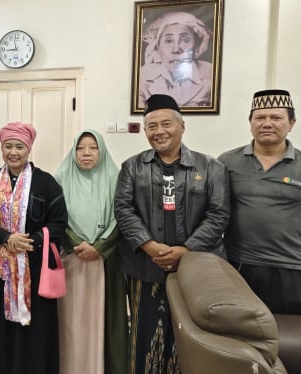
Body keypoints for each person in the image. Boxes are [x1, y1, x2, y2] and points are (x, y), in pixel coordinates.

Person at [114, 94, 229, 374]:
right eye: (151, 126)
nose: (159, 131)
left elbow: (219, 214)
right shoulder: (133, 166)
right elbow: (123, 209)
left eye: (166, 124)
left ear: (182, 126)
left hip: (194, 270)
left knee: (189, 337)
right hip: (145, 266)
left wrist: (186, 251)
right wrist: (149, 245)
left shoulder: (210, 167)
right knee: (144, 335)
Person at [0, 122, 68, 374]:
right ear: (1, 149)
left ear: (29, 149)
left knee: (35, 330)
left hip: (34, 270)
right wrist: (5, 237)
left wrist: (31, 240)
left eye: (19, 147)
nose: (13, 152)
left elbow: (58, 223)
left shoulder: (46, 183)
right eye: (8, 147)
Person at [218, 89, 301, 314]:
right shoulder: (227, 161)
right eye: (260, 117)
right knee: (240, 335)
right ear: (250, 122)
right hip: (239, 265)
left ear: (291, 123)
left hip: (291, 268)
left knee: (286, 338)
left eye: (276, 118)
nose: (267, 123)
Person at [54, 130, 128, 374]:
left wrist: (98, 247)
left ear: (102, 151)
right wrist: (76, 243)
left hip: (106, 260)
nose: (86, 153)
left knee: (103, 322)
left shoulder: (116, 178)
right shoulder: (61, 178)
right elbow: (55, 217)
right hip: (70, 260)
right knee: (71, 321)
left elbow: (123, 216)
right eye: (80, 148)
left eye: (93, 147)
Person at [139, 11, 214, 108]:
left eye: (185, 40)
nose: (176, 49)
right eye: (169, 41)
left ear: (196, 46)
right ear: (157, 47)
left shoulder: (211, 73)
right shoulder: (142, 76)